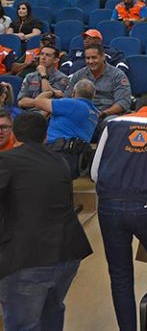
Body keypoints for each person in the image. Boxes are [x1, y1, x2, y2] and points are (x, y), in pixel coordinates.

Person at [91, 95, 147, 331]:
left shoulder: (113, 124)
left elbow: (95, 173)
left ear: (136, 108)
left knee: (120, 275)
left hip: (109, 207)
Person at [0, 112, 92, 331]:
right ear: (45, 136)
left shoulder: (7, 161)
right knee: (51, 313)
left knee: (24, 324)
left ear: (15, 134)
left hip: (29, 257)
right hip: (68, 252)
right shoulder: (59, 160)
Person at [28, 79, 99, 178]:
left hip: (57, 154)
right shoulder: (95, 113)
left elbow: (37, 101)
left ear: (73, 93)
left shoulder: (72, 104)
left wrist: (52, 92)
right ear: (93, 96)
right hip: (77, 159)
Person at [65, 44, 132, 126]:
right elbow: (67, 97)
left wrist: (103, 113)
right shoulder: (78, 75)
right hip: (82, 113)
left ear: (103, 57)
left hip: (107, 115)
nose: (90, 61)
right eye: (88, 58)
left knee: (111, 122)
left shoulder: (117, 75)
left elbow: (123, 102)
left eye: (94, 58)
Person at [60, 29, 127, 76]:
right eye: (85, 39)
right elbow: (65, 63)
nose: (86, 41)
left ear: (99, 41)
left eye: (89, 39)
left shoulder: (110, 52)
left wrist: (115, 78)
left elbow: (121, 64)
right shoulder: (76, 52)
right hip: (75, 82)